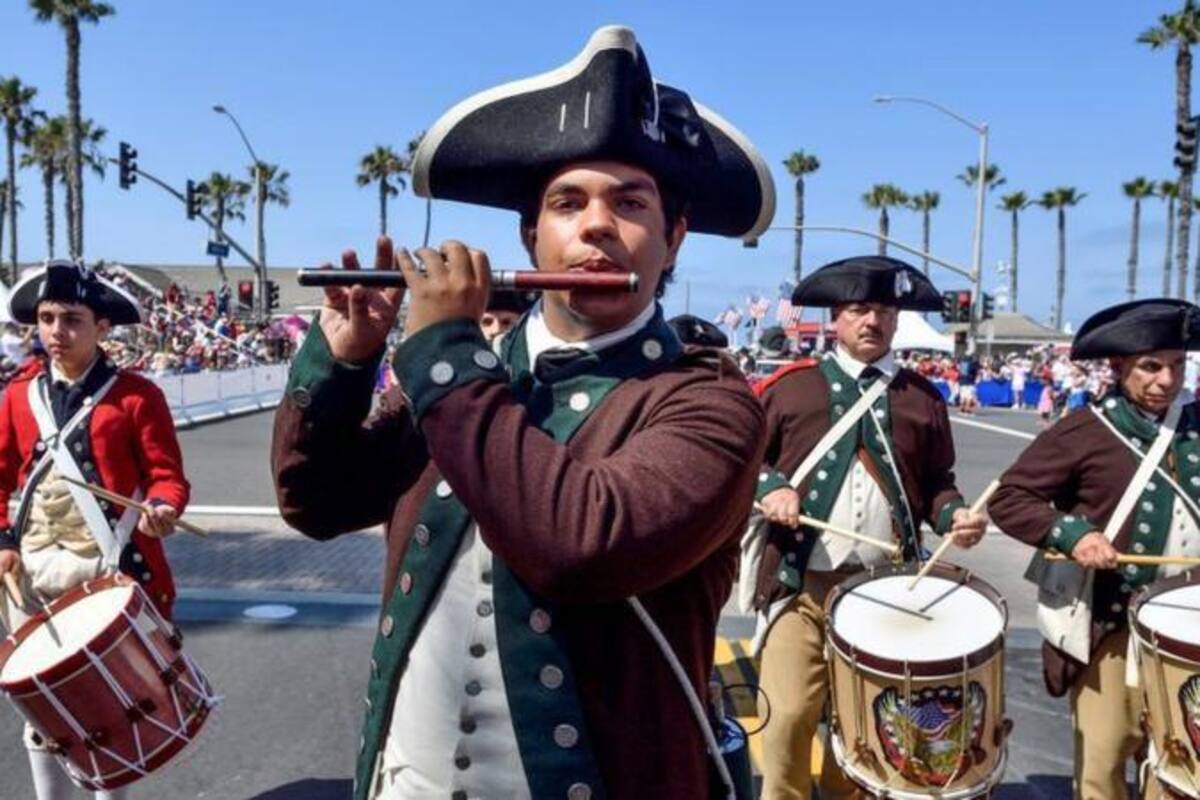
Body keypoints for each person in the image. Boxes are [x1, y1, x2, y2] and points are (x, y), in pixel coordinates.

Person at [272, 25, 773, 800]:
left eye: (630, 203)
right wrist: (344, 362)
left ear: (673, 240)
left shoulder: (706, 402)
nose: (596, 225)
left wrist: (443, 348)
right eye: (567, 203)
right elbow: (317, 500)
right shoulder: (468, 378)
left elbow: (580, 547)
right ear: (530, 235)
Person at [747, 256, 988, 800]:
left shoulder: (922, 398)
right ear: (837, 318)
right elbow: (742, 463)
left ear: (897, 321)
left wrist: (956, 517)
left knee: (864, 729)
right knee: (786, 716)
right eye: (859, 310)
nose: (872, 321)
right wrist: (773, 489)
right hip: (800, 587)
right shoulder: (790, 388)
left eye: (883, 310)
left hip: (884, 593)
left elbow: (937, 484)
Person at [988, 299, 1200, 800]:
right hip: (1112, 625)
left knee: (1182, 762)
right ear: (1119, 367)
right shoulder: (1086, 430)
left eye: (1176, 365)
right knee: (1103, 764)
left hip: (1191, 625)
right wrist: (1074, 535)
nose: (1166, 380)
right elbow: (1010, 499)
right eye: (1151, 367)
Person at [0, 261, 189, 800]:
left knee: (115, 711)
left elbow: (167, 477)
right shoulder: (18, 396)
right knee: (42, 708)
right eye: (47, 318)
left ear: (102, 328)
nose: (57, 332)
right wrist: (2, 542)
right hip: (32, 575)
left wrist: (161, 506)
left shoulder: (136, 396)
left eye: (72, 319)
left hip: (108, 571)